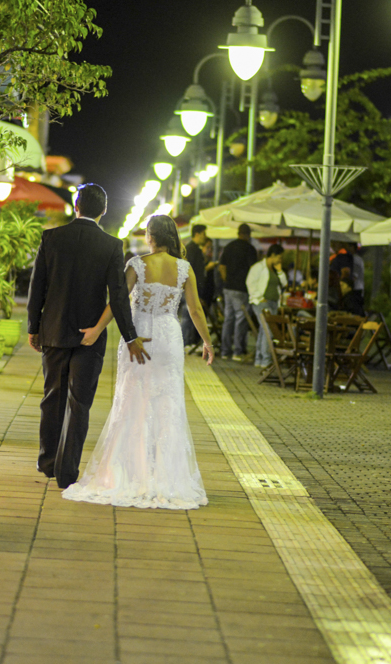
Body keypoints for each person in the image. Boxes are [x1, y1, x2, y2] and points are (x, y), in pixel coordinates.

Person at [62, 214, 213, 510]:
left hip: (139, 336)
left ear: (150, 236)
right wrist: (207, 342)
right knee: (167, 403)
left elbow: (117, 301)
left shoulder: (137, 265)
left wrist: (96, 330)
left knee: (133, 401)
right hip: (169, 338)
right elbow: (195, 310)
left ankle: (130, 472)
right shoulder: (185, 268)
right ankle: (166, 476)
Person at [28, 183, 150, 489]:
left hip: (53, 331)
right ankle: (67, 471)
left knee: (52, 397)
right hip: (90, 337)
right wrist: (130, 335)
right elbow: (119, 296)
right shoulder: (111, 245)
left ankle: (48, 461)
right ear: (104, 210)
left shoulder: (51, 237)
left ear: (75, 205)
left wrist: (33, 327)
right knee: (79, 403)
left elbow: (37, 287)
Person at [219, 223, 258, 361]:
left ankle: (225, 350)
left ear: (238, 232)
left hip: (228, 288)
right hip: (242, 289)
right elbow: (254, 270)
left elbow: (222, 266)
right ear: (248, 234)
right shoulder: (250, 249)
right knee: (241, 319)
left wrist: (226, 281)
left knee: (228, 318)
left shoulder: (229, 247)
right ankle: (238, 351)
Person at [247, 244, 287, 370]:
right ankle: (266, 360)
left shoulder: (275, 269)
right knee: (269, 329)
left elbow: (284, 283)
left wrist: (280, 271)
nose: (281, 260)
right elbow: (250, 282)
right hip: (261, 302)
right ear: (273, 255)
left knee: (264, 331)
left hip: (274, 303)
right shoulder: (258, 267)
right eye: (279, 257)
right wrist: (259, 297)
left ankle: (259, 359)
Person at [181, 223, 208, 350]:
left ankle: (187, 342)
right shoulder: (193, 249)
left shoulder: (191, 248)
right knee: (188, 315)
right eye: (204, 234)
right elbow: (189, 270)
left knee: (189, 315)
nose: (205, 237)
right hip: (190, 289)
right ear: (197, 234)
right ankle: (185, 342)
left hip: (190, 288)